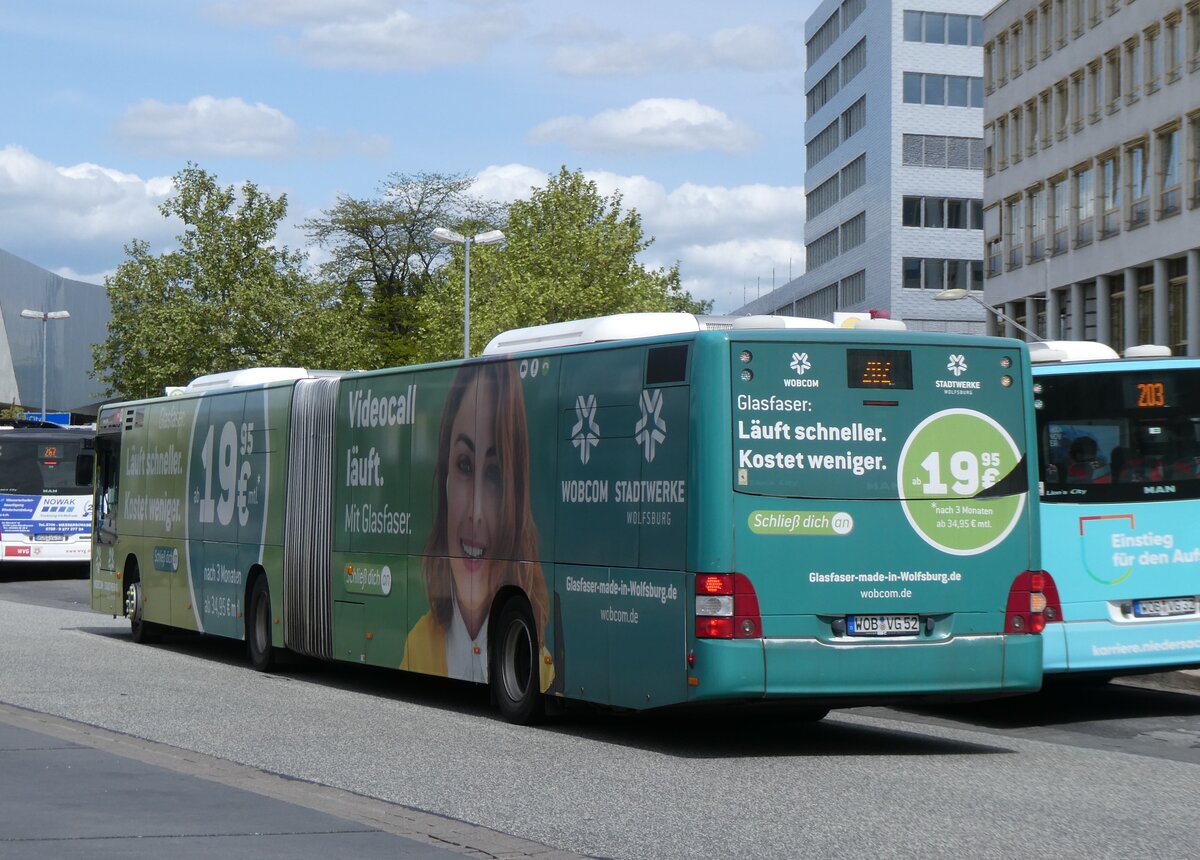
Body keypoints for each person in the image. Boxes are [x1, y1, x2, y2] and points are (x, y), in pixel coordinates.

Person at [402, 361, 554, 689]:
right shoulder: (416, 648)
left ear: (516, 496)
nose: (476, 512)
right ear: (443, 477)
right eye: (465, 465)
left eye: (496, 475)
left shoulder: (545, 675)